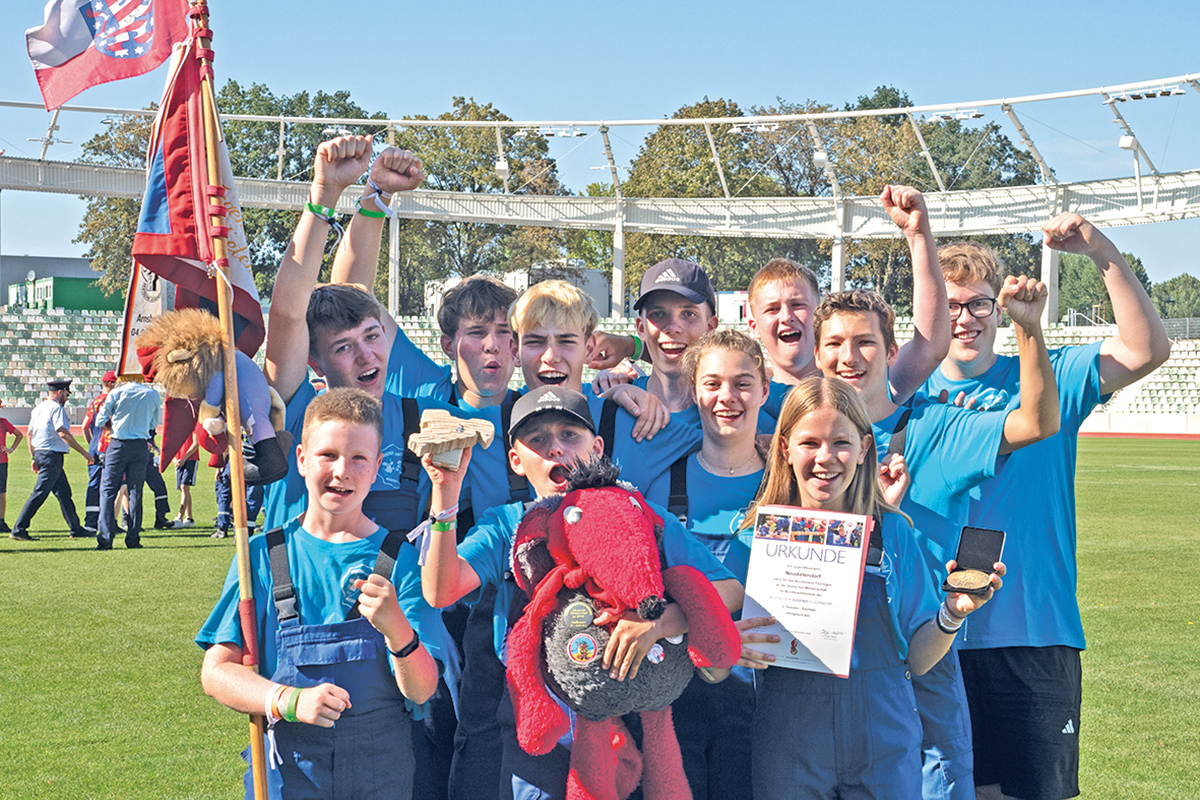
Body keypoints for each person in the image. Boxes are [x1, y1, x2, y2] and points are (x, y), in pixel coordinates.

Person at [922, 215, 1170, 800]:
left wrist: (1099, 250)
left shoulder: (1049, 374)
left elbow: (1146, 348)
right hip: (929, 635)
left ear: (997, 308)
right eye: (951, 305)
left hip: (1032, 631)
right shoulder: (905, 397)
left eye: (979, 305)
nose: (964, 319)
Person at [419, 385, 743, 800]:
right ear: (516, 461)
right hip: (539, 731)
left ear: (598, 447)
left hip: (631, 720)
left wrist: (660, 623)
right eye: (537, 439)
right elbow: (440, 590)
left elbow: (729, 590)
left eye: (570, 435)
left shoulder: (637, 513)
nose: (556, 448)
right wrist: (445, 494)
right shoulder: (506, 525)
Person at [812, 280, 1060, 800]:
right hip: (818, 669)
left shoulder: (936, 428)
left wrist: (1029, 328)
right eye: (834, 344)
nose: (848, 357)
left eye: (865, 343)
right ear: (817, 354)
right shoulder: (798, 438)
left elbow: (1036, 422)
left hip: (917, 668)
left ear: (893, 352)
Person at [727, 376, 1004, 800]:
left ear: (863, 450)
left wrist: (953, 613)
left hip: (882, 735)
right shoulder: (756, 538)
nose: (825, 458)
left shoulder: (892, 532)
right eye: (809, 443)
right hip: (789, 736)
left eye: (841, 441)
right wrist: (730, 645)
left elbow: (920, 659)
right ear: (784, 448)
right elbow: (713, 661)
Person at [197, 388, 441, 800]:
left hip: (381, 774)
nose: (342, 471)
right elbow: (217, 671)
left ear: (378, 467)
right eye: (328, 454)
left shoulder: (400, 559)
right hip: (291, 774)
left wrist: (397, 628)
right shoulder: (262, 555)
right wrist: (285, 700)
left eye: (359, 458)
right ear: (302, 459)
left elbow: (422, 689)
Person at [645, 328, 769, 799]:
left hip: (764, 694)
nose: (727, 397)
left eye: (742, 382)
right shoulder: (661, 484)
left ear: (764, 387)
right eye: (713, 383)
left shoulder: (790, 484)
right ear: (694, 389)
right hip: (675, 695)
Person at [10, 379, 92, 541]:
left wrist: (33, 456)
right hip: (51, 455)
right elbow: (62, 432)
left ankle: (75, 528)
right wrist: (84, 452)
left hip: (41, 453)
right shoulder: (57, 409)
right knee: (40, 492)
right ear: (60, 392)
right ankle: (19, 528)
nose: (67, 398)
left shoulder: (38, 408)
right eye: (67, 394)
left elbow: (29, 434)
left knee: (63, 492)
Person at [95, 374, 161, 550]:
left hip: (118, 444)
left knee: (108, 491)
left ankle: (105, 538)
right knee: (135, 492)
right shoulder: (152, 394)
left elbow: (100, 420)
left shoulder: (117, 393)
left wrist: (115, 425)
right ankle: (133, 538)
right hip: (140, 445)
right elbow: (153, 423)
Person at [81, 370, 117, 536]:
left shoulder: (95, 401)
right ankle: (108, 521)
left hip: (95, 445)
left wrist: (91, 445)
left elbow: (84, 426)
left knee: (95, 483)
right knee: (109, 485)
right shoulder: (111, 401)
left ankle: (90, 521)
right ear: (110, 384)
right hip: (109, 445)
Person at [0, 398, 25, 533]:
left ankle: (1, 521)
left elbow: (19, 435)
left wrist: (11, 449)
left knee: (1, 492)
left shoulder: (3, 422)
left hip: (1, 461)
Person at [173, 432, 199, 527]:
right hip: (179, 460)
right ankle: (189, 517)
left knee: (184, 487)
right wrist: (174, 459)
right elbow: (172, 444)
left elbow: (196, 443)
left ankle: (180, 516)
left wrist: (184, 458)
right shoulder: (177, 427)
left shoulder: (193, 425)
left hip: (190, 459)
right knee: (183, 488)